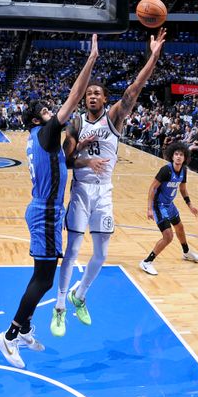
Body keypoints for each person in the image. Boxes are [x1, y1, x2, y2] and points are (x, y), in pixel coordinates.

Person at [50, 29, 167, 338]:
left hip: (104, 192)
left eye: (97, 93)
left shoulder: (114, 118)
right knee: (73, 251)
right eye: (88, 93)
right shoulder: (76, 123)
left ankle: (80, 295)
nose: (92, 96)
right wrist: (86, 157)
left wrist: (153, 55)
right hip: (81, 190)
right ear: (85, 98)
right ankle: (60, 307)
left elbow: (135, 88)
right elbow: (67, 160)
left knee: (101, 254)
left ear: (105, 99)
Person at [0, 34, 100, 368]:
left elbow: (64, 162)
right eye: (46, 111)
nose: (53, 111)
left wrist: (81, 150)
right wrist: (91, 59)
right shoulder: (46, 132)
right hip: (45, 212)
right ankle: (9, 335)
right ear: (39, 121)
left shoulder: (37, 139)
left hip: (44, 209)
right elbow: (74, 96)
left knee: (44, 275)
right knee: (44, 278)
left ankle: (24, 329)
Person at [139, 142, 198, 275]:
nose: (179, 157)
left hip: (170, 205)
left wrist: (190, 205)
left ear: (185, 157)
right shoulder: (166, 170)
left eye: (181, 154)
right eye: (176, 154)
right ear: (172, 156)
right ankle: (146, 262)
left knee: (180, 227)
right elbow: (152, 188)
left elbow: (183, 188)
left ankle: (186, 253)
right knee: (168, 236)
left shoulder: (184, 170)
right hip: (158, 205)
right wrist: (149, 208)